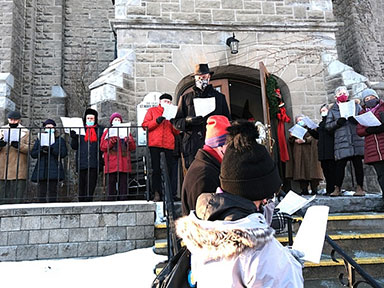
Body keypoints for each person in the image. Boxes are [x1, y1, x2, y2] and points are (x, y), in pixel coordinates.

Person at [176, 121, 304, 287]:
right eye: (267, 195)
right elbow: (261, 268)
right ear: (258, 192)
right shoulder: (260, 251)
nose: (267, 201)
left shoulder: (204, 229)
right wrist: (286, 265)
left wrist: (282, 258)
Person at [172, 63, 231, 169]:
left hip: (215, 144)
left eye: (204, 77)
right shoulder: (185, 98)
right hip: (192, 144)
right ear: (194, 78)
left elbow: (227, 120)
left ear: (209, 77)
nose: (201, 79)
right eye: (198, 77)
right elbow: (176, 122)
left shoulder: (219, 98)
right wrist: (187, 121)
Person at [181, 115, 231, 215]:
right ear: (220, 146)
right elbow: (204, 217)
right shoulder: (204, 175)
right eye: (231, 144)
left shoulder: (207, 165)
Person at [326, 86, 365, 196]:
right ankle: (337, 188)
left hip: (355, 139)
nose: (342, 95)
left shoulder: (355, 106)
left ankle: (360, 187)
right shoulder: (333, 110)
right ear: (335, 97)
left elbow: (363, 119)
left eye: (344, 93)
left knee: (358, 165)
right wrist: (337, 123)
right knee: (340, 166)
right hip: (341, 141)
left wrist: (356, 120)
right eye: (339, 93)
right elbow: (328, 126)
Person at [142, 93, 180, 201]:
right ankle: (157, 193)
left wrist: (173, 122)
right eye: (165, 101)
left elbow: (176, 132)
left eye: (168, 102)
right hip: (155, 143)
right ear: (160, 102)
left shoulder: (172, 112)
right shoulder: (152, 111)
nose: (167, 103)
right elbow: (145, 125)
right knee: (156, 170)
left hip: (168, 144)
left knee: (169, 170)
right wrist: (157, 121)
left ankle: (169, 194)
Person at [70, 108, 104, 202]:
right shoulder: (80, 130)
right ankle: (81, 202)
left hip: (94, 161)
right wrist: (74, 138)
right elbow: (74, 146)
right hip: (82, 161)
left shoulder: (99, 130)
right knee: (82, 184)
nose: (90, 120)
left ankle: (89, 201)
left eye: (92, 118)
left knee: (91, 184)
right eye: (88, 118)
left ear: (95, 119)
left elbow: (102, 145)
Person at [100, 112, 136, 201]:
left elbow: (132, 147)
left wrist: (129, 141)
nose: (117, 121)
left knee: (123, 182)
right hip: (112, 161)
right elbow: (102, 146)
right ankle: (110, 199)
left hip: (123, 161)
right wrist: (111, 142)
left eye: (118, 120)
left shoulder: (126, 131)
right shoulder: (107, 131)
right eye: (115, 120)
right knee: (111, 182)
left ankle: (123, 199)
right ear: (111, 122)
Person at [30, 119, 68, 203]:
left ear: (54, 128)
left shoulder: (59, 140)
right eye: (47, 127)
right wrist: (41, 150)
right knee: (41, 191)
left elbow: (63, 153)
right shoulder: (39, 140)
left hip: (54, 167)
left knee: (53, 190)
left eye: (51, 127)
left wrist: (52, 149)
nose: (49, 129)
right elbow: (33, 154)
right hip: (42, 167)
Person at [357, 88, 384, 199]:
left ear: (376, 98)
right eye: (366, 99)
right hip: (373, 150)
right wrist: (368, 130)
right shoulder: (362, 113)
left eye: (371, 98)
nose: (369, 100)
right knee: (381, 176)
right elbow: (359, 131)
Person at [286, 115, 323, 195]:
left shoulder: (310, 128)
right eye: (298, 120)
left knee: (311, 170)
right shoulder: (295, 129)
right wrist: (291, 137)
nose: (300, 121)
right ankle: (304, 189)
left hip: (309, 152)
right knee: (301, 171)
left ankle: (314, 189)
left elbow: (314, 137)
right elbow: (290, 142)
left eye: (301, 120)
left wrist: (305, 140)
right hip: (299, 152)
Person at [0, 111, 30, 204]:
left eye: (15, 120)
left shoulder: (26, 132)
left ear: (19, 120)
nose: (13, 122)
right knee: (3, 194)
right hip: (3, 166)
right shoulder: (1, 130)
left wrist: (18, 145)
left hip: (19, 166)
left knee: (18, 195)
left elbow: (30, 148)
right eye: (11, 120)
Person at [307, 104, 336, 195]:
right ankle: (329, 189)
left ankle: (332, 189)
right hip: (322, 151)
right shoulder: (321, 123)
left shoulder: (331, 121)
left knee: (331, 170)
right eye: (321, 111)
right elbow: (318, 136)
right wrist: (311, 129)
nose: (323, 112)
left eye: (324, 110)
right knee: (326, 171)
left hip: (330, 149)